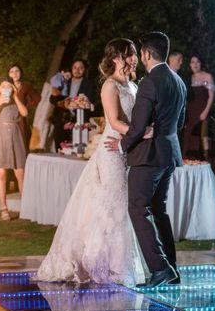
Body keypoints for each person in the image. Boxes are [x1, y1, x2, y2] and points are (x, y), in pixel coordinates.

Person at [35, 39, 150, 286]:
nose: (133, 60)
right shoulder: (109, 86)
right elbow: (115, 121)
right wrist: (144, 133)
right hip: (112, 151)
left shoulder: (133, 85)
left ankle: (115, 262)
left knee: (121, 205)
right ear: (116, 58)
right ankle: (109, 266)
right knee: (114, 205)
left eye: (133, 56)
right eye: (129, 55)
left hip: (129, 147)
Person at [106, 32, 187, 288]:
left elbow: (139, 125)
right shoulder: (178, 80)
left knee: (138, 209)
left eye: (140, 53)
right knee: (159, 210)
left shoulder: (151, 82)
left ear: (147, 54)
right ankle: (171, 268)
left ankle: (160, 268)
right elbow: (180, 122)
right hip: (169, 153)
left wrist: (122, 144)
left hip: (148, 156)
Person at [0, 80, 28, 220]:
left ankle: (26, 206)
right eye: (3, 86)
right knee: (1, 173)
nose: (6, 88)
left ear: (12, 89)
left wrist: (15, 96)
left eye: (8, 86)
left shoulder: (15, 99)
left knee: (20, 172)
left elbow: (25, 112)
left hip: (15, 136)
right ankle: (4, 208)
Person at [0, 64, 41, 153]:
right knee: (7, 146)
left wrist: (26, 106)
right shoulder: (6, 86)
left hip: (20, 119)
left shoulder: (25, 86)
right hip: (8, 119)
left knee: (22, 145)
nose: (14, 74)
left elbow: (37, 98)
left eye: (17, 71)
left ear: (21, 73)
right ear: (8, 74)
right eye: (11, 72)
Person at [49, 59, 96, 151]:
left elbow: (91, 101)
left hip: (79, 121)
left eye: (80, 68)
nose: (77, 70)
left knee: (78, 150)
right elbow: (52, 99)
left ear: (85, 70)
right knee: (60, 149)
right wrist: (63, 103)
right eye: (75, 67)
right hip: (62, 120)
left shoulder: (89, 84)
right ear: (71, 68)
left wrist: (81, 103)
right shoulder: (64, 80)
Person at [182, 54, 215, 160]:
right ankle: (190, 162)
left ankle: (207, 164)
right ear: (190, 65)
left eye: (197, 62)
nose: (195, 64)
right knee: (189, 137)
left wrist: (205, 112)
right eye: (192, 62)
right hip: (191, 112)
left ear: (201, 63)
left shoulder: (207, 76)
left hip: (203, 112)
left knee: (204, 137)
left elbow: (211, 96)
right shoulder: (189, 78)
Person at [30, 65, 71, 151]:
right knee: (43, 124)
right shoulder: (56, 82)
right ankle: (40, 145)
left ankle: (43, 145)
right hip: (50, 106)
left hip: (57, 112)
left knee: (47, 126)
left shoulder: (65, 84)